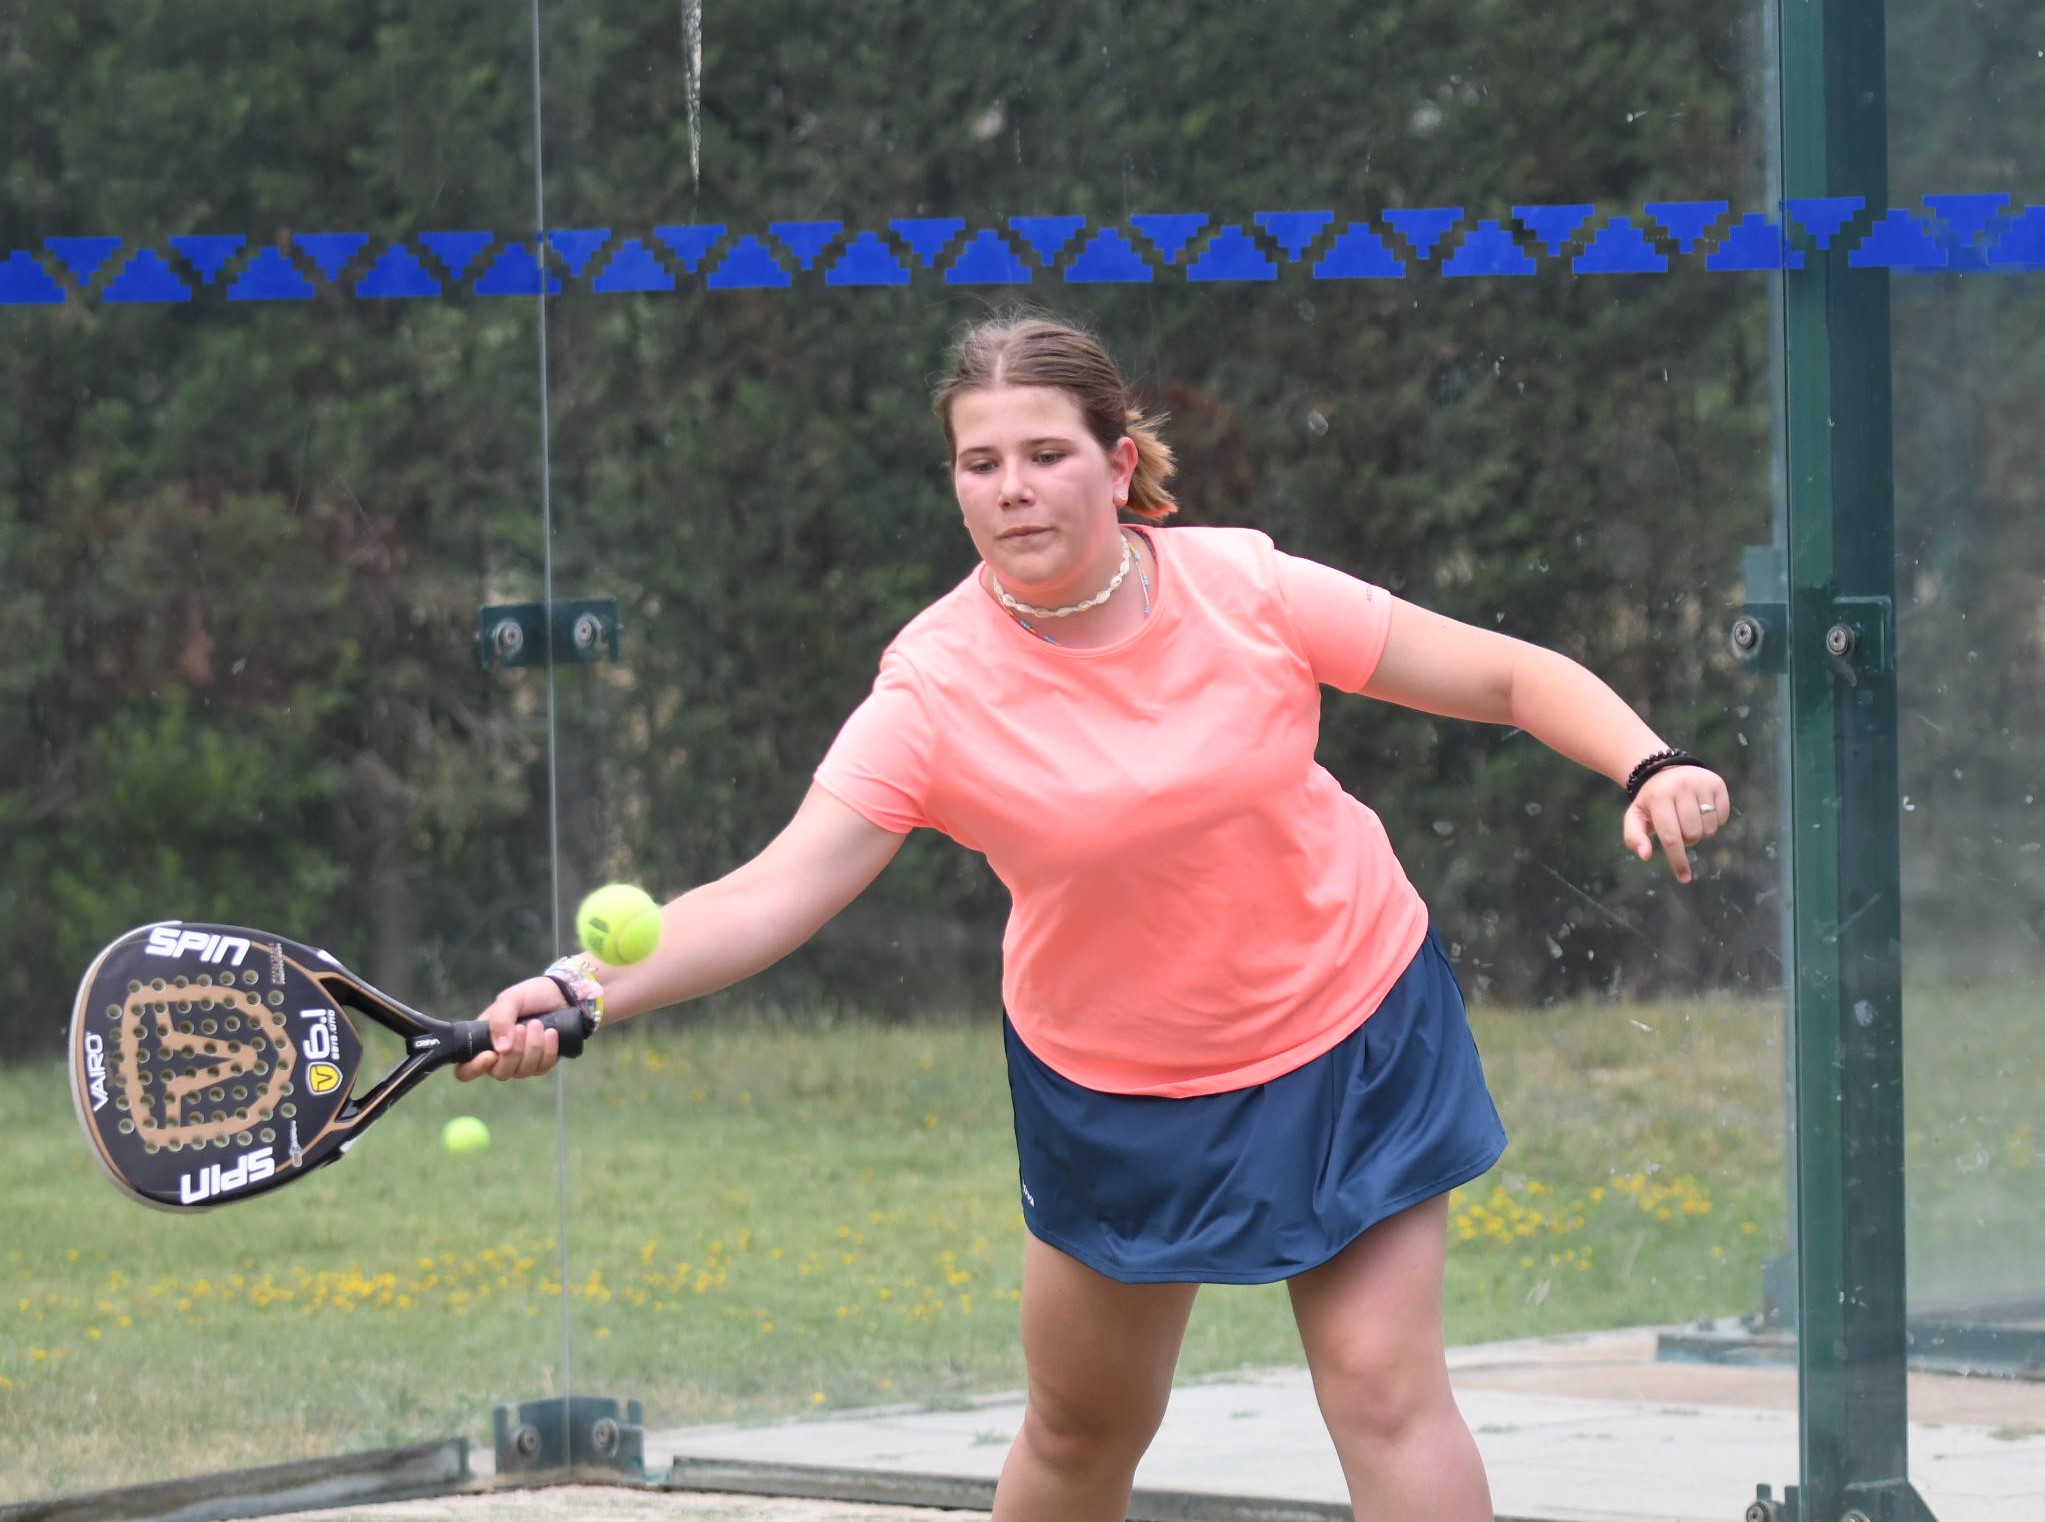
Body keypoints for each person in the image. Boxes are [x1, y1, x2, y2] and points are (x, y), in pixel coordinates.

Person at [460, 313, 1731, 1522]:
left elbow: (1504, 674)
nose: (1012, 488)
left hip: (1350, 1023)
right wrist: (581, 991)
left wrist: (1646, 761)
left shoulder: (1246, 586)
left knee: (1383, 1390)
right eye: (980, 464)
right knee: (1082, 1427)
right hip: (1112, 1088)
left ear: (1118, 464)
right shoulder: (932, 688)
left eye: (1045, 454)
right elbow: (771, 889)